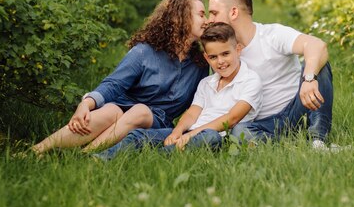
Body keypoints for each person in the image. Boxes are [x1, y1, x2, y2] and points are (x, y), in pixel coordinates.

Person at [32, 0, 209, 155]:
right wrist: (86, 104)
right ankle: (36, 151)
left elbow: (200, 101)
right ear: (180, 17)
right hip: (123, 108)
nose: (207, 20)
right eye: (201, 14)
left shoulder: (199, 63)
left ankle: (84, 155)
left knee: (140, 111)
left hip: (156, 121)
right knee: (110, 111)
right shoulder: (145, 52)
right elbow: (114, 84)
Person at [93, 22, 262, 160]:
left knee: (210, 137)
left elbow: (231, 119)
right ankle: (101, 158)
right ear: (206, 58)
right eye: (213, 57)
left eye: (226, 54)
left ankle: (153, 158)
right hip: (190, 133)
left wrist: (190, 136)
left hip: (219, 136)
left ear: (238, 49)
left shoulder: (250, 80)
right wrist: (177, 132)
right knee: (139, 134)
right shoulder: (207, 82)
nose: (221, 61)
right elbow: (192, 113)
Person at [206, 0, 334, 149]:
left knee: (318, 65)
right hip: (263, 124)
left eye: (214, 13)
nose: (210, 20)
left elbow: (317, 45)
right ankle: (289, 145)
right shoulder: (223, 55)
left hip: (297, 109)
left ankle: (318, 141)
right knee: (239, 132)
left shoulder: (271, 35)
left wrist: (309, 78)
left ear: (233, 12)